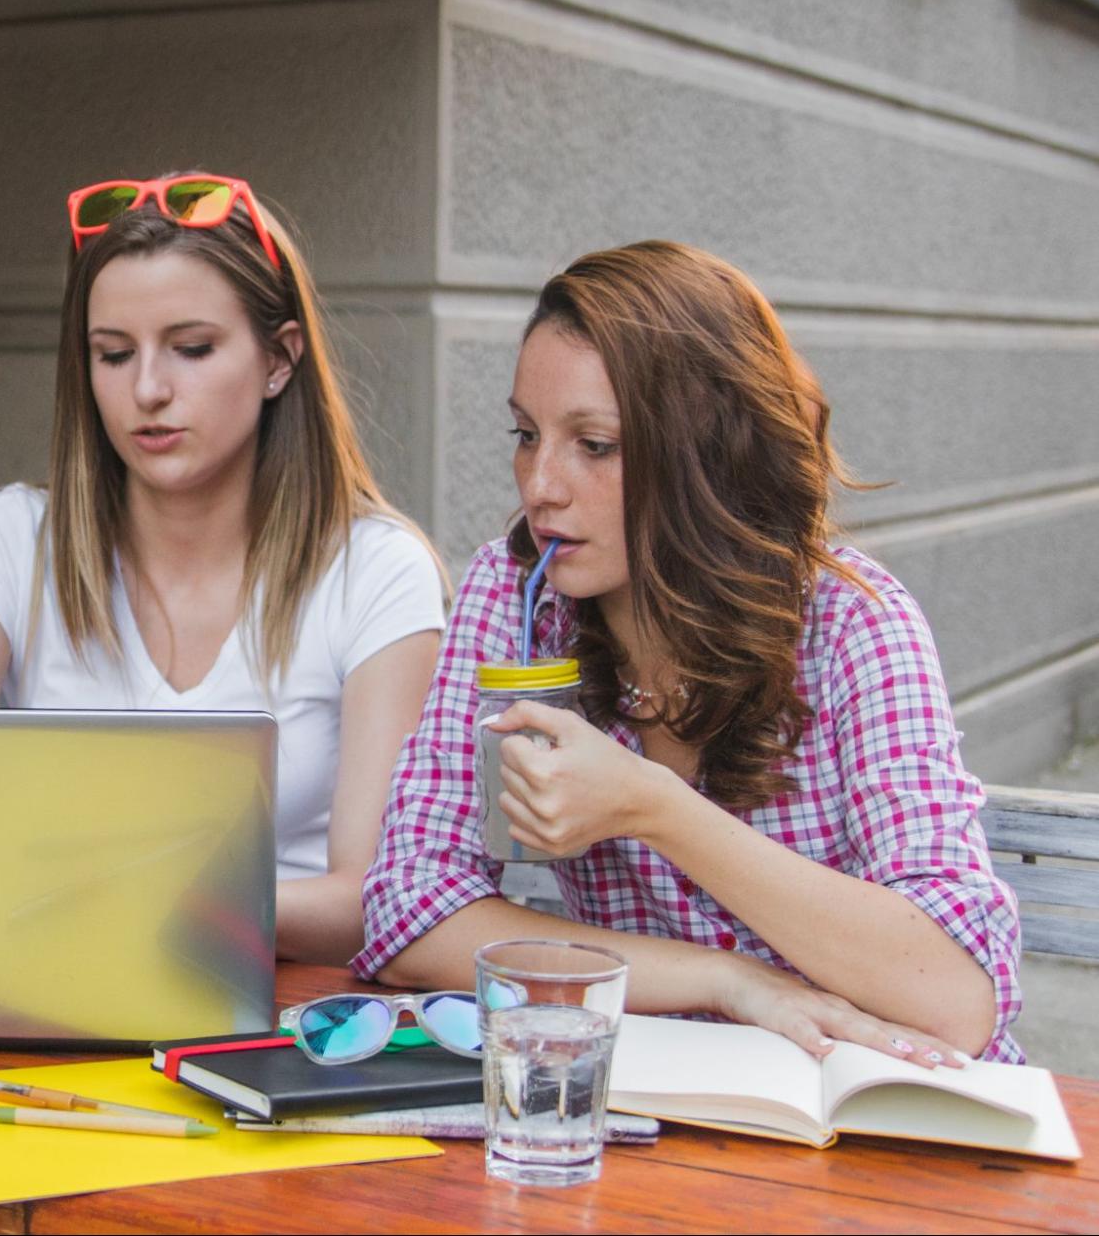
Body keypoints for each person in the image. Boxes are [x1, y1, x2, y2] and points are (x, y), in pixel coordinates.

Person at [358, 240, 1021, 1063]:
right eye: (526, 434)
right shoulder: (519, 594)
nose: (539, 485)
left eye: (593, 444)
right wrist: (723, 978)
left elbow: (955, 1000)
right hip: (673, 1103)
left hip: (881, 1108)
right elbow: (409, 911)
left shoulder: (852, 623)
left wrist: (653, 807)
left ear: (710, 452)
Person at [0, 174, 445, 965]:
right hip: (38, 990)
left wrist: (144, 901)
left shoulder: (376, 571)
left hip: (286, 1018)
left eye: (191, 349)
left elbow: (374, 900)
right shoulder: (4, 539)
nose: (148, 390)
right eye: (113, 355)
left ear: (278, 360)